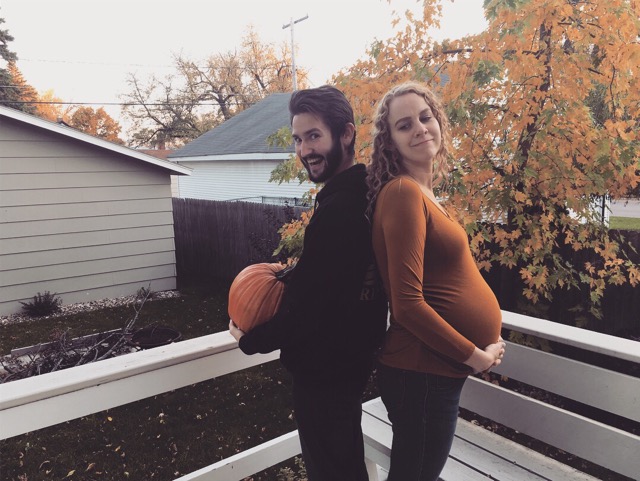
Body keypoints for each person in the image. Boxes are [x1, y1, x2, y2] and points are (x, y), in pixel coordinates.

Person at [229, 85, 388, 481]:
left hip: (326, 375)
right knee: (344, 466)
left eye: (314, 136)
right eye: (298, 139)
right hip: (348, 367)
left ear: (346, 134)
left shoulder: (341, 209)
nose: (304, 150)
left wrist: (250, 340)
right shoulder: (363, 194)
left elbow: (309, 310)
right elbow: (333, 281)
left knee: (334, 472)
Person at [366, 81, 506, 481]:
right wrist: (475, 356)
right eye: (404, 125)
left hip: (430, 375)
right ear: (390, 142)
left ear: (438, 122)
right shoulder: (403, 193)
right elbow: (407, 306)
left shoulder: (425, 194)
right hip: (421, 375)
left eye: (425, 117)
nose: (420, 129)